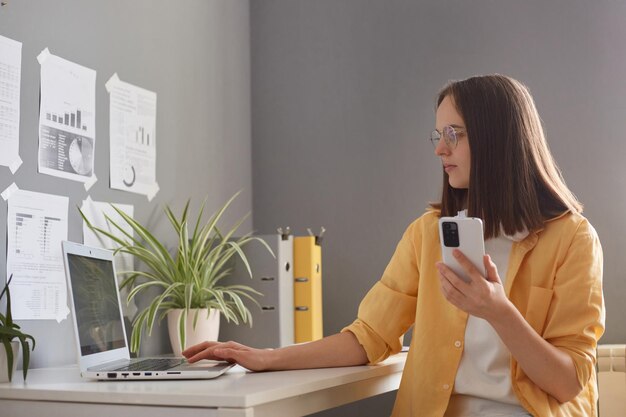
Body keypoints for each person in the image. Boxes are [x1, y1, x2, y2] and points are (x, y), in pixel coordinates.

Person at [183, 74, 605, 417]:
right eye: (438, 135)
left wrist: (498, 311)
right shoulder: (427, 234)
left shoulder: (572, 240)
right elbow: (368, 337)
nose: (440, 148)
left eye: (454, 134)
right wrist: (266, 357)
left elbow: (568, 383)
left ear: (498, 139)